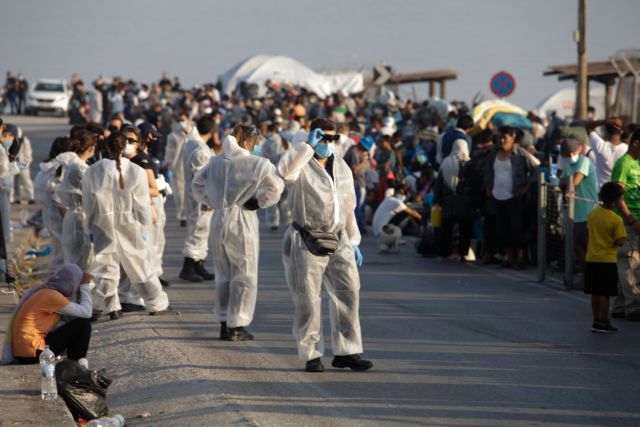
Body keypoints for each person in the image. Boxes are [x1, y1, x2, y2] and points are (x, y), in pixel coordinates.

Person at [278, 118, 373, 373]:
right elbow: (284, 173)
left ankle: (347, 351)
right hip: (307, 237)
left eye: (332, 138)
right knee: (308, 298)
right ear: (312, 136)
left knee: (349, 292)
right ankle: (311, 354)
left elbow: (348, 204)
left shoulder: (341, 166)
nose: (327, 143)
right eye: (323, 137)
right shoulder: (300, 160)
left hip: (339, 237)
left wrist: (353, 240)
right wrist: (306, 147)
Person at [192, 125, 284, 341]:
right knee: (245, 274)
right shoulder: (258, 163)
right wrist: (258, 202)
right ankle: (237, 325)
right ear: (246, 143)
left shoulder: (215, 161)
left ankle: (224, 322)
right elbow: (276, 187)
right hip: (243, 219)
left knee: (223, 274)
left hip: (219, 219)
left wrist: (209, 201)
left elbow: (196, 184)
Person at [82, 132, 170, 319]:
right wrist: (145, 227)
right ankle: (155, 302)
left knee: (106, 266)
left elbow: (88, 202)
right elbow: (141, 204)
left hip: (102, 223)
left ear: (105, 147)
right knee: (140, 265)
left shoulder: (93, 170)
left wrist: (88, 225)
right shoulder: (136, 171)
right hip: (130, 224)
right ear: (123, 147)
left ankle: (110, 306)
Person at [1, 264, 92, 365]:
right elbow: (86, 313)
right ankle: (77, 364)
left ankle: (74, 364)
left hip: (24, 352)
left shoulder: (46, 292)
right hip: (34, 351)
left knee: (75, 324)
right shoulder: (52, 296)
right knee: (83, 324)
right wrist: (85, 286)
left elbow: (72, 317)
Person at [484, 126, 538, 269]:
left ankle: (519, 257)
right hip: (497, 195)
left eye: (505, 138)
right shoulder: (493, 153)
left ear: (513, 138)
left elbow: (537, 169)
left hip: (515, 197)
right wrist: (488, 187)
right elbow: (488, 170)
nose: (502, 141)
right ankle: (509, 257)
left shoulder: (520, 154)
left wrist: (525, 188)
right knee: (502, 228)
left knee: (516, 228)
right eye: (500, 138)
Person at [585, 182, 626, 333]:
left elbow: (588, 234)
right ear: (615, 201)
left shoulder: (593, 214)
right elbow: (620, 240)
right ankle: (604, 321)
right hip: (607, 260)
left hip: (591, 258)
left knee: (595, 292)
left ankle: (595, 320)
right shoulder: (616, 219)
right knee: (605, 293)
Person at [179, 115, 216, 282]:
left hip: (193, 194)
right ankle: (188, 265)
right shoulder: (201, 149)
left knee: (202, 229)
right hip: (199, 197)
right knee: (197, 230)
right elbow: (201, 178)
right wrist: (208, 198)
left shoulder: (192, 143)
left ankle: (198, 263)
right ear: (211, 131)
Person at [560, 136, 598, 288]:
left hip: (588, 212)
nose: (570, 156)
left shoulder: (584, 161)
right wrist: (567, 182)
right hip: (575, 213)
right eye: (567, 154)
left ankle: (589, 280)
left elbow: (574, 181)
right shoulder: (570, 165)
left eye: (571, 152)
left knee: (587, 248)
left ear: (579, 149)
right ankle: (586, 278)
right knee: (578, 247)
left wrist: (568, 183)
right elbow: (562, 180)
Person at [34, 136, 77, 269]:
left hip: (49, 215)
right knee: (64, 251)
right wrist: (70, 220)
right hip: (60, 216)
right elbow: (59, 199)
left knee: (58, 249)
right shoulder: (60, 168)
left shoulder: (46, 168)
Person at [610, 129, 640, 321]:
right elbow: (617, 195)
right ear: (636, 142)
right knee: (630, 263)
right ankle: (633, 307)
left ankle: (620, 306)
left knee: (628, 264)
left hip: (636, 221)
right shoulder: (624, 163)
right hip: (628, 222)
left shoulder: (637, 163)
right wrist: (631, 219)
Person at [56, 131, 96, 270]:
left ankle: (77, 289)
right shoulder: (80, 167)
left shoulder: (75, 165)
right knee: (80, 261)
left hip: (74, 215)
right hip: (79, 217)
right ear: (91, 148)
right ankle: (78, 290)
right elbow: (94, 192)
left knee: (76, 259)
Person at [433, 139, 473, 261]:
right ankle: (462, 254)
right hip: (465, 202)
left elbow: (439, 183)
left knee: (446, 229)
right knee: (465, 229)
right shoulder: (469, 163)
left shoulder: (446, 162)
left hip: (448, 201)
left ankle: (444, 253)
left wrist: (437, 198)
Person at [164, 111, 193, 227]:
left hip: (192, 166)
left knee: (192, 192)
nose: (182, 123)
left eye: (183, 120)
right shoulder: (173, 136)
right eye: (180, 120)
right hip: (178, 167)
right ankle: (183, 216)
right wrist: (168, 163)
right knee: (180, 194)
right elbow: (169, 151)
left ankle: (191, 214)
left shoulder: (194, 134)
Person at [584, 118, 628, 188]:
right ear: (621, 132)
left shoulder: (600, 146)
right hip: (620, 193)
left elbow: (588, 126)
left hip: (602, 192)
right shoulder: (628, 150)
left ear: (606, 132)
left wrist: (606, 121)